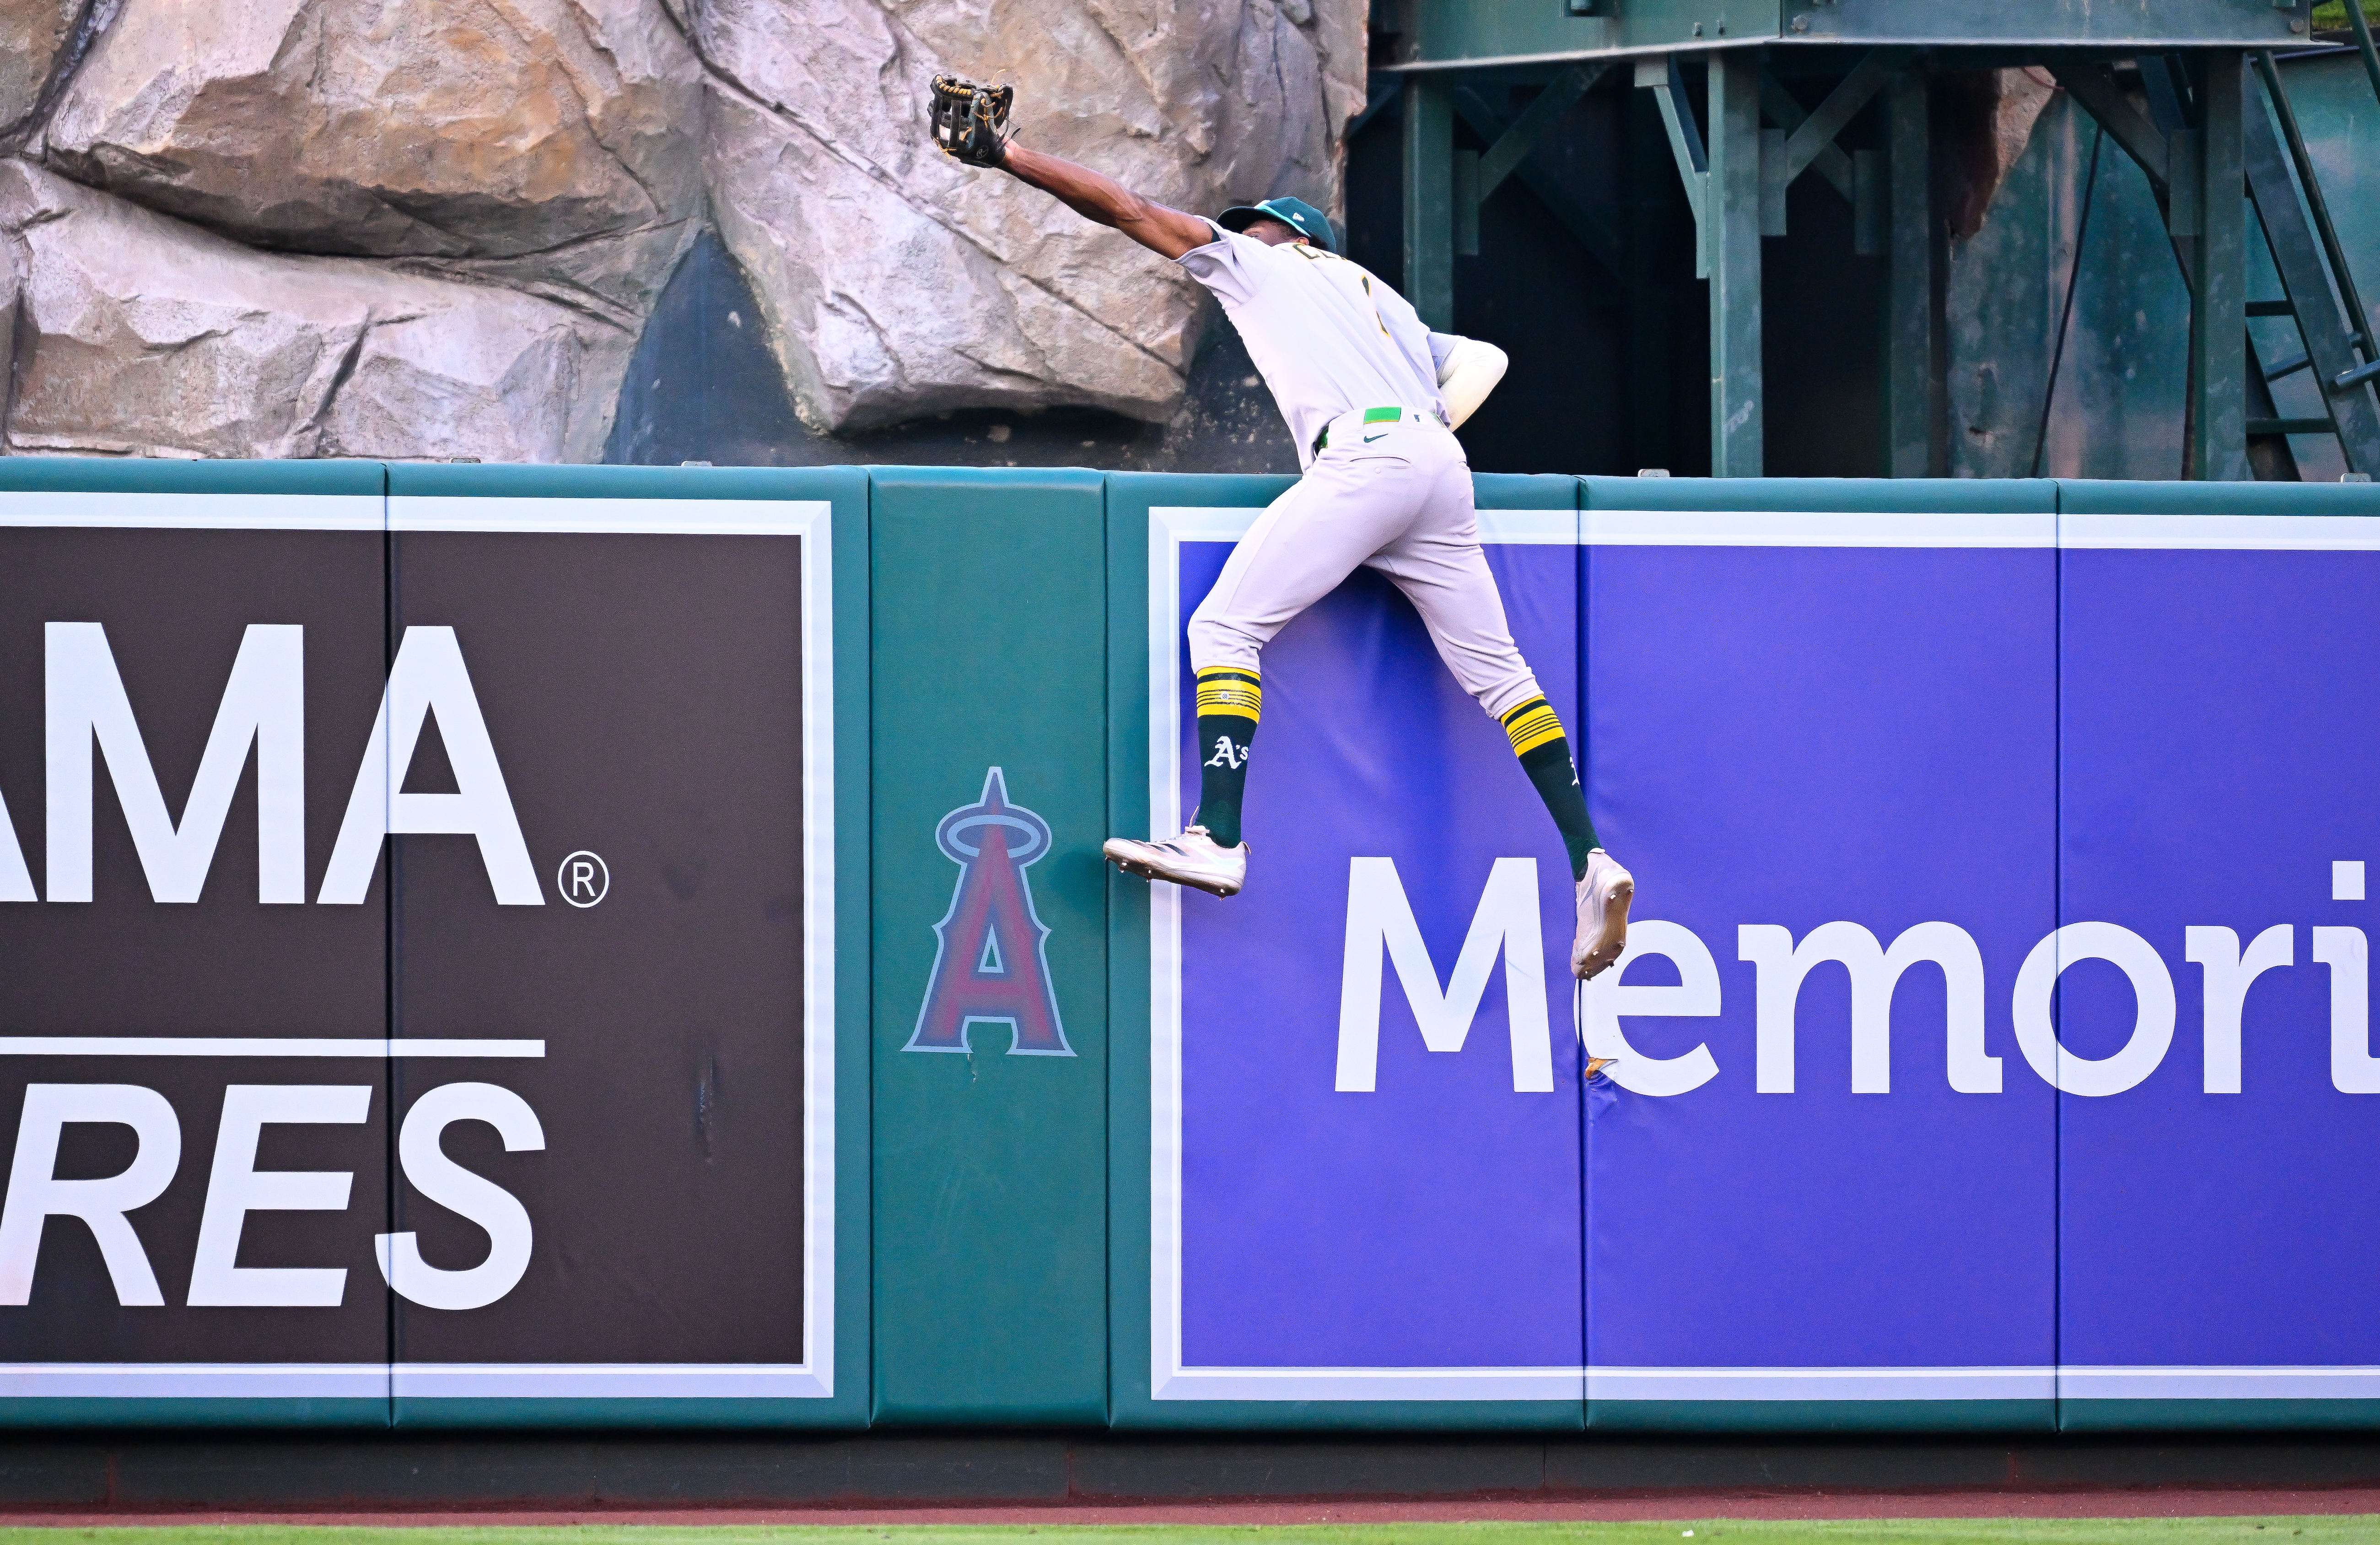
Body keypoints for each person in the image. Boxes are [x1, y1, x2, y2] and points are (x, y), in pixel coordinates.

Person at [941, 101, 1633, 982]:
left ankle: (1217, 837)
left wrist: (1008, 155)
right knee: (1503, 678)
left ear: (1284, 237)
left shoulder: (1262, 266)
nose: (1236, 237)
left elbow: (1126, 209)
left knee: (1225, 631)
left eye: (1250, 229)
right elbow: (1487, 358)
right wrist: (1423, 435)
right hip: (1435, 463)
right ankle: (1587, 861)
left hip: (1368, 457)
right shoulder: (1378, 298)